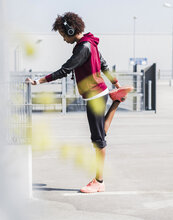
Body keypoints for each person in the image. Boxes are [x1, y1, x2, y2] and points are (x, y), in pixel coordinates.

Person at [26, 12, 126, 193]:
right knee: (100, 132)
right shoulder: (91, 43)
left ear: (71, 30)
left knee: (98, 140)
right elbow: (103, 64)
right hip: (100, 93)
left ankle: (99, 181)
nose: (63, 39)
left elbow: (65, 69)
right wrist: (116, 83)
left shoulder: (83, 48)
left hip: (95, 96)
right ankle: (116, 101)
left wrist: (39, 81)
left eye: (63, 35)